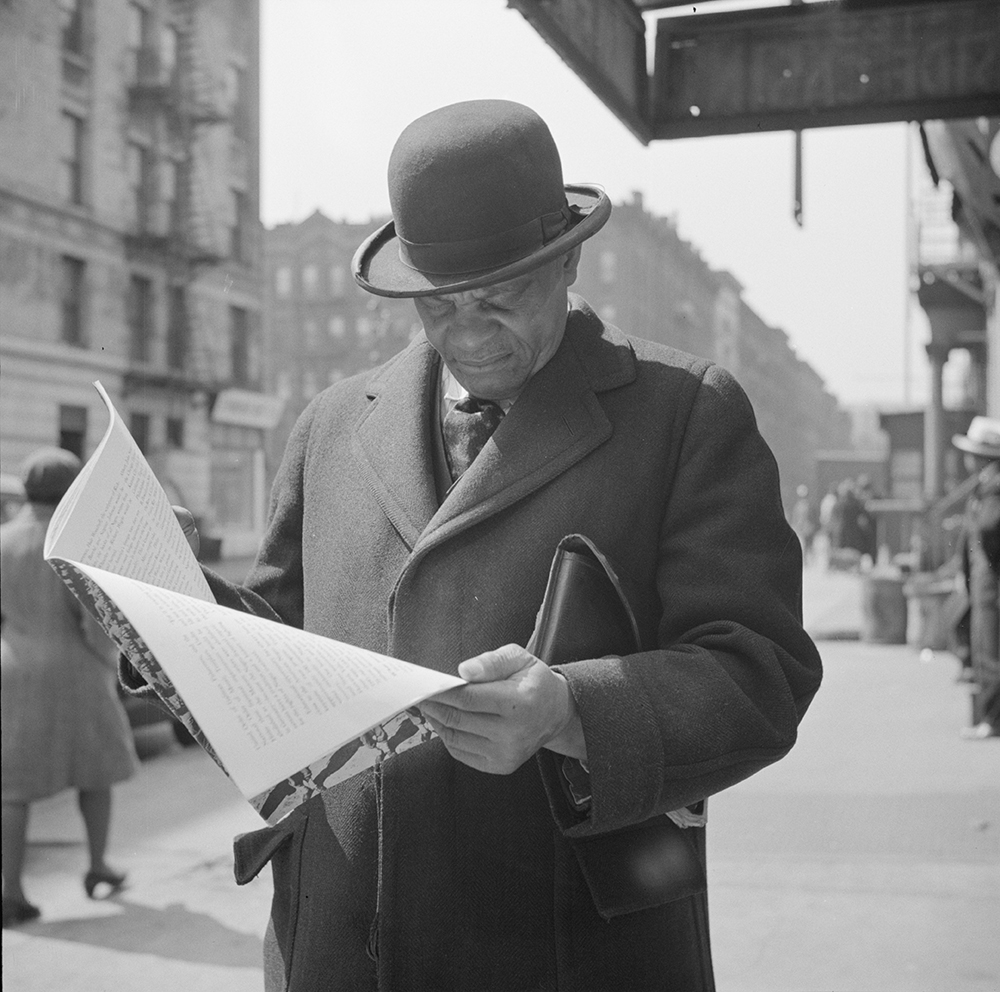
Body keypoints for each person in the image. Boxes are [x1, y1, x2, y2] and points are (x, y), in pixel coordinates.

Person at [154, 100, 822, 990]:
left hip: (563, 947)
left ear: (568, 259)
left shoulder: (685, 414)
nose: (468, 335)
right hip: (338, 943)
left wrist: (573, 710)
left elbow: (760, 671)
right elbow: (274, 647)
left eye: (500, 301)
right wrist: (166, 616)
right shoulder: (330, 427)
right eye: (439, 305)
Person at [2, 448, 137, 927]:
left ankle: (11, 890)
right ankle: (98, 865)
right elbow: (94, 625)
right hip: (77, 672)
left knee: (11, 788)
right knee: (93, 772)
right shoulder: (72, 543)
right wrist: (112, 665)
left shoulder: (3, 540)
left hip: (13, 669)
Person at [952, 417, 1000, 740]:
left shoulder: (993, 487)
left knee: (990, 653)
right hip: (984, 582)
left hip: (990, 583)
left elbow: (987, 528)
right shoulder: (986, 485)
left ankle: (993, 719)